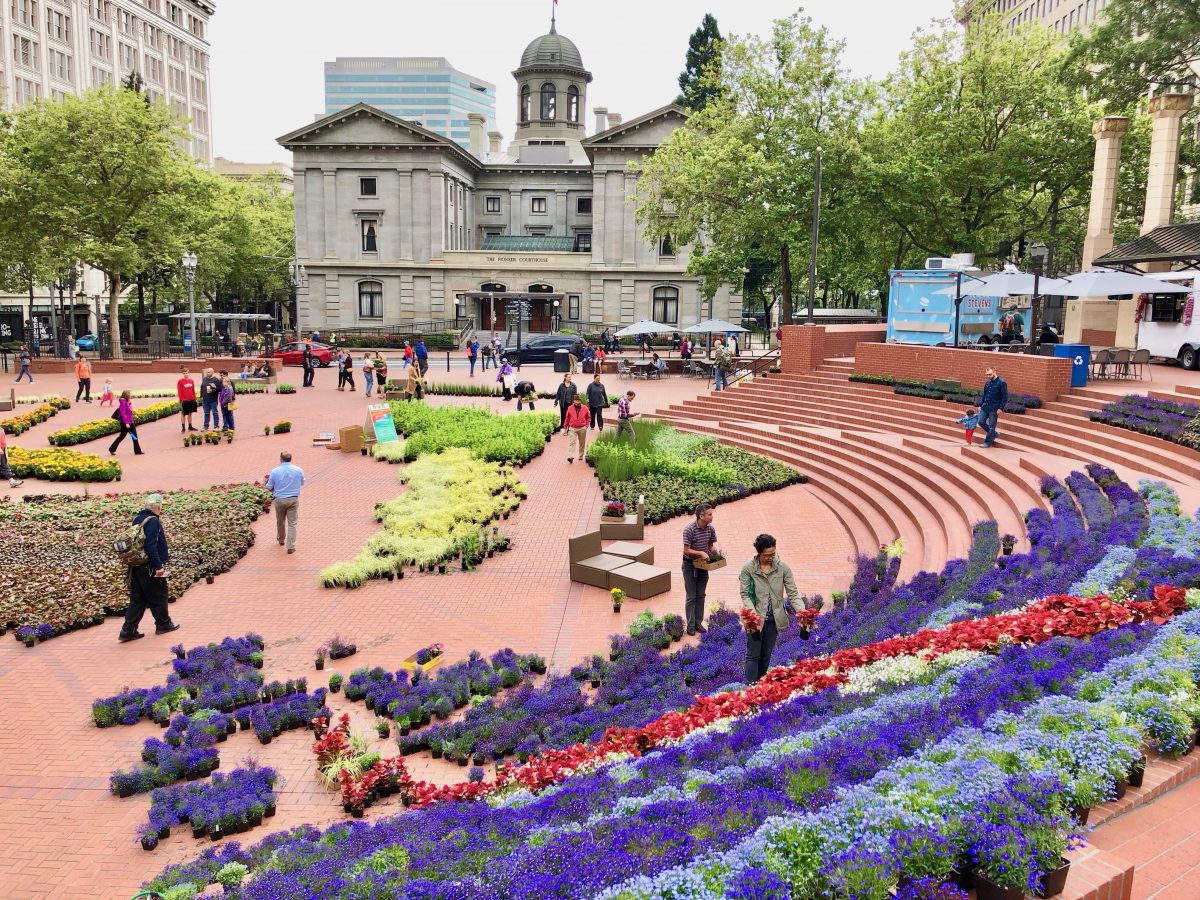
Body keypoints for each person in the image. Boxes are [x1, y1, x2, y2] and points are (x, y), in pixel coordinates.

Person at [738, 533, 800, 683]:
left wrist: (802, 612)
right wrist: (752, 616)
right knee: (753, 654)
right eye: (767, 555)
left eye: (773, 553)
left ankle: (760, 685)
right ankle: (750, 687)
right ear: (759, 553)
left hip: (774, 619)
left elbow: (793, 593)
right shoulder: (748, 568)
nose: (771, 557)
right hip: (755, 620)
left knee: (766, 655)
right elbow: (745, 594)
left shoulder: (783, 567)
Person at [118, 493, 179, 643]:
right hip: (149, 567)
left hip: (137, 566)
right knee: (159, 595)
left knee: (138, 599)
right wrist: (158, 566)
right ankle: (163, 624)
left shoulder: (138, 518)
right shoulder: (152, 521)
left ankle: (128, 631)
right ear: (157, 507)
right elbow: (151, 546)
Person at [681, 503, 720, 635]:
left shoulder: (710, 529)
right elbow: (686, 550)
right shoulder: (689, 530)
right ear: (701, 516)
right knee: (691, 596)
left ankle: (698, 622)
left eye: (711, 514)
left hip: (703, 565)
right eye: (709, 514)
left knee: (701, 595)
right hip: (689, 565)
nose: (712, 516)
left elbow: (710, 546)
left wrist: (716, 553)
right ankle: (691, 625)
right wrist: (701, 553)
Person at [266, 450, 305, 554]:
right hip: (293, 499)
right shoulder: (298, 470)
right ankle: (291, 546)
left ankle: (281, 539)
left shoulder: (275, 471)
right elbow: (302, 482)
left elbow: (269, 487)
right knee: (292, 523)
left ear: (281, 459)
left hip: (279, 499)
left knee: (280, 520)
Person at [978, 366, 1008, 449]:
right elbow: (984, 395)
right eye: (987, 374)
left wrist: (1001, 408)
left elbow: (1004, 397)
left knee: (992, 426)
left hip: (994, 408)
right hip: (985, 407)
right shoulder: (987, 383)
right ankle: (994, 434)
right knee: (980, 421)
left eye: (990, 374)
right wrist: (981, 405)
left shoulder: (1002, 383)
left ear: (995, 372)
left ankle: (987, 442)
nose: (988, 376)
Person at [109, 390, 144, 456]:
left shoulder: (127, 402)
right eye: (129, 394)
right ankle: (112, 449)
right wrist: (126, 423)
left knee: (125, 436)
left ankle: (112, 449)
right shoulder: (123, 403)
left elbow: (129, 412)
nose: (130, 396)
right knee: (124, 436)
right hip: (126, 423)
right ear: (127, 395)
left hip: (130, 421)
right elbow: (122, 414)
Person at [564, 394, 590, 464]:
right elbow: (567, 418)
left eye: (578, 400)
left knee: (582, 443)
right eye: (576, 400)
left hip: (582, 428)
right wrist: (565, 427)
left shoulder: (585, 408)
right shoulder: (570, 408)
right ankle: (571, 456)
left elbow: (588, 417)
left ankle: (581, 455)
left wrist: (586, 425)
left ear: (580, 401)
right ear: (574, 400)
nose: (577, 402)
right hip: (572, 428)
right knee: (572, 442)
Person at [176, 366, 198, 433]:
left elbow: (193, 390)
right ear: (182, 374)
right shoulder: (180, 381)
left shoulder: (191, 380)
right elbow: (179, 391)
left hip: (191, 399)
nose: (186, 374)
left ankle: (190, 426)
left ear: (189, 373)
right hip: (184, 400)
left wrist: (194, 398)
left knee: (190, 413)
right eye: (184, 373)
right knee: (183, 414)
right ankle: (183, 427)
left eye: (187, 373)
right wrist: (181, 399)